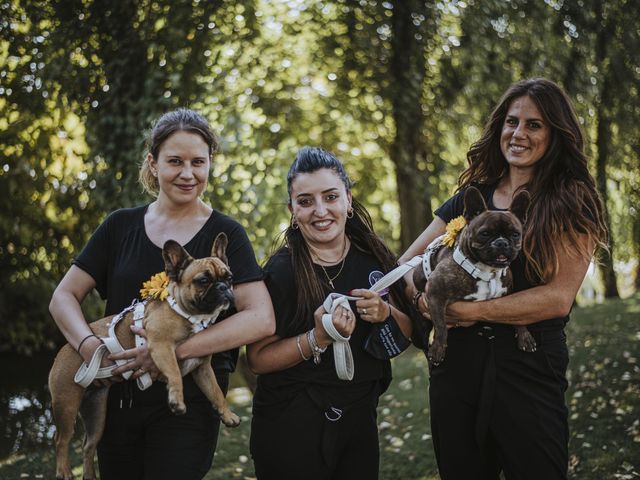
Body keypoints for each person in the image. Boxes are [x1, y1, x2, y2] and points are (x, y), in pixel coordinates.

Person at [49, 108, 275, 480]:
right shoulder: (120, 226)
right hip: (118, 398)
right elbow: (62, 297)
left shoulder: (228, 234)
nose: (188, 174)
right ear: (153, 164)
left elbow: (261, 317)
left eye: (198, 162)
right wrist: (92, 349)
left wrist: (173, 353)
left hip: (191, 402)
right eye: (175, 161)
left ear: (209, 165)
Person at [399, 78, 608, 479]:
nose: (519, 134)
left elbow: (557, 299)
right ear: (499, 128)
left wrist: (472, 311)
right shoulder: (469, 199)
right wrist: (423, 299)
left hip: (529, 366)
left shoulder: (572, 200)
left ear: (554, 134)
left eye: (534, 125)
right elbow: (406, 264)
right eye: (512, 122)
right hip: (456, 368)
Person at [247, 147, 413, 480]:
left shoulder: (374, 258)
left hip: (359, 419)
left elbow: (409, 335)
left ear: (348, 201)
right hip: (290, 425)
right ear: (293, 210)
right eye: (306, 201)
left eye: (330, 197)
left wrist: (384, 313)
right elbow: (258, 360)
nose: (320, 211)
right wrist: (317, 338)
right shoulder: (281, 272)